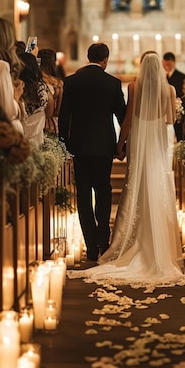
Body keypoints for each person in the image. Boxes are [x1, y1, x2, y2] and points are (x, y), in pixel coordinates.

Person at [68, 51, 185, 287]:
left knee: (135, 184)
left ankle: (116, 241)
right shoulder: (170, 91)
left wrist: (120, 144)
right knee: (156, 185)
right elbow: (169, 120)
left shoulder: (133, 87)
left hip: (138, 141)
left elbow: (129, 119)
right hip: (156, 145)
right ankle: (157, 244)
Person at [58, 42, 126, 261]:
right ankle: (103, 241)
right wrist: (121, 146)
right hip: (104, 146)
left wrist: (64, 144)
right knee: (104, 191)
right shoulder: (112, 83)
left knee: (84, 195)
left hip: (79, 146)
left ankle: (90, 246)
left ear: (88, 58)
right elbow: (121, 116)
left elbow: (64, 116)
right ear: (105, 60)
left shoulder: (72, 81)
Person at [19, 52, 51, 146]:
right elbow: (49, 111)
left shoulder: (16, 87)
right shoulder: (42, 88)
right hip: (37, 134)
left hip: (19, 133)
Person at [38, 48, 63, 134]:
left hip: (36, 121)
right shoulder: (58, 83)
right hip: (52, 122)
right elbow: (58, 110)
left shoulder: (35, 81)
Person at [162, 51, 185, 141]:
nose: (166, 65)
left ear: (173, 62)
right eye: (165, 63)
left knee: (179, 131)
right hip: (163, 109)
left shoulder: (182, 76)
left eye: (168, 63)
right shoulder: (161, 76)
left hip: (176, 107)